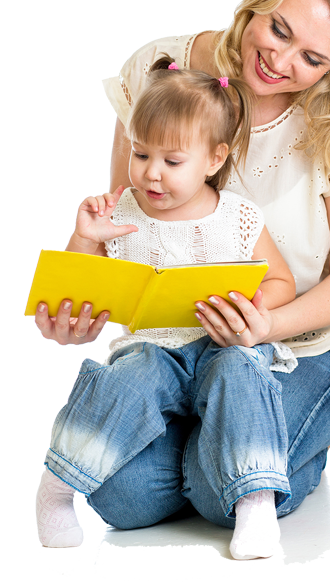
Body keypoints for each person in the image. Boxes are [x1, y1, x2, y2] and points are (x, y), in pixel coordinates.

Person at [35, 0, 330, 557]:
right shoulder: (162, 72)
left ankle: (268, 452)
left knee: (218, 495)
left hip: (295, 345)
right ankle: (231, 452)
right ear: (258, 1)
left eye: (312, 57)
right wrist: (80, 305)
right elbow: (130, 221)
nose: (279, 60)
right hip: (172, 344)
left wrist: (266, 325)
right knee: (122, 497)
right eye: (278, 29)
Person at [36, 56, 298, 559]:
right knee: (126, 379)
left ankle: (256, 503)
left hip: (222, 344)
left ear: (214, 159)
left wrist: (252, 310)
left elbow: (281, 281)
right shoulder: (120, 212)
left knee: (243, 373)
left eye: (172, 162)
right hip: (154, 350)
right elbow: (76, 289)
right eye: (140, 154)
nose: (151, 174)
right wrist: (85, 238)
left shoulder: (239, 217)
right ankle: (57, 487)